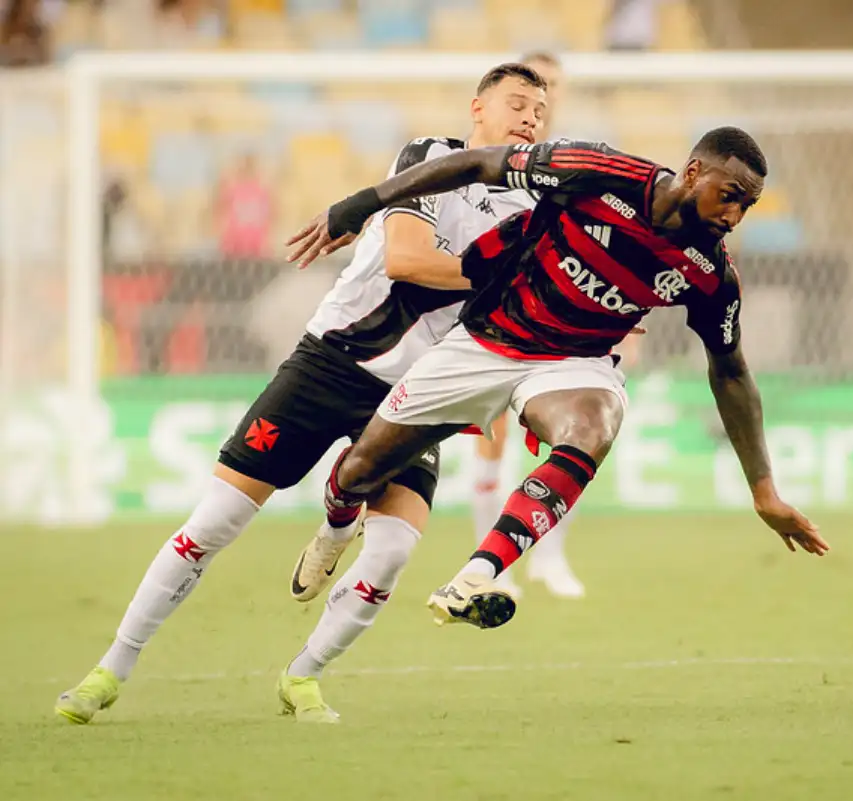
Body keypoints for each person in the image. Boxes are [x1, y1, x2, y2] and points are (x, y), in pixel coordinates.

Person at [54, 63, 549, 724]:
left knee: (395, 549)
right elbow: (406, 261)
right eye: (516, 103)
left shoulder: (540, 209)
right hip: (332, 363)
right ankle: (109, 669)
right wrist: (504, 276)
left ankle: (303, 674)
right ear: (477, 110)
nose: (529, 119)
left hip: (418, 391)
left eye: (541, 112)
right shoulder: (432, 159)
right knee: (214, 522)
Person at [286, 127, 830, 632]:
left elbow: (730, 371)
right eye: (729, 194)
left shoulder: (708, 269)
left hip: (573, 363)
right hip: (485, 339)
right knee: (359, 471)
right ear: (693, 172)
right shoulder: (598, 171)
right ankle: (335, 527)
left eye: (748, 206)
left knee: (596, 424)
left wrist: (764, 491)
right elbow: (476, 162)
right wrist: (361, 205)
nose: (734, 215)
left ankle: (479, 573)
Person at [471, 50, 583, 600]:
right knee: (491, 442)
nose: (550, 96)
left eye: (556, 87)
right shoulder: (492, 161)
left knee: (568, 440)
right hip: (494, 324)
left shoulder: (570, 162)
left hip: (557, 326)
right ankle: (493, 565)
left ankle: (551, 560)